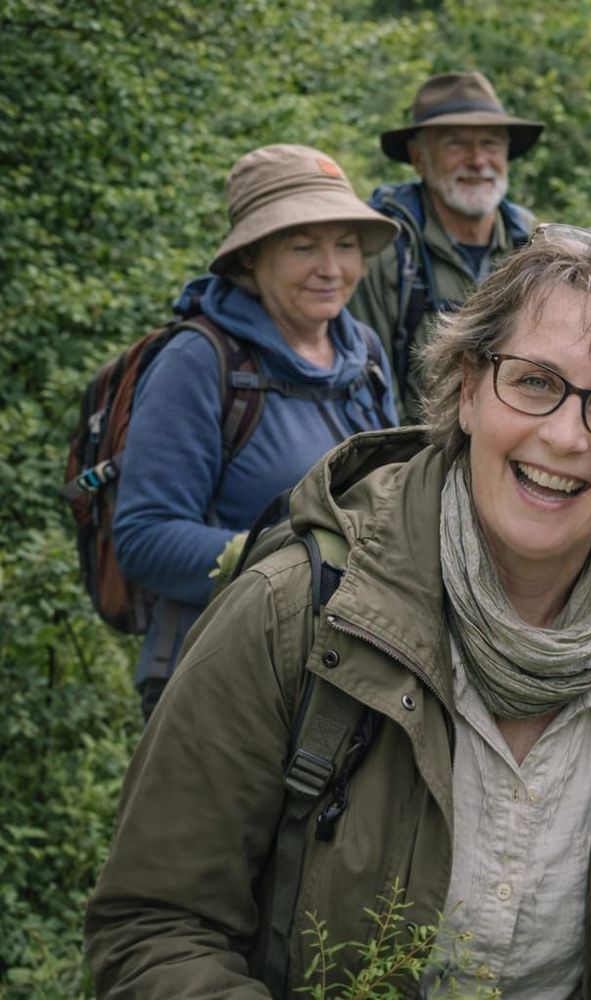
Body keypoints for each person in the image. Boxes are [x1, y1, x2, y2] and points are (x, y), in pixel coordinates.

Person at [86, 228, 591, 998]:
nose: (562, 435)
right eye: (535, 382)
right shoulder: (295, 614)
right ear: (470, 386)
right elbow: (155, 927)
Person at [112, 144, 398, 720]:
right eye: (303, 246)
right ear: (249, 259)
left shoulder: (362, 351)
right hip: (218, 675)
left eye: (345, 244)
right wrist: (305, 561)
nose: (332, 268)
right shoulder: (199, 361)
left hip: (344, 672)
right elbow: (144, 539)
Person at [350, 71, 545, 413]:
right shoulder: (387, 247)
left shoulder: (532, 241)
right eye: (456, 144)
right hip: (416, 455)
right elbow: (368, 385)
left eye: (490, 144)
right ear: (418, 158)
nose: (477, 160)